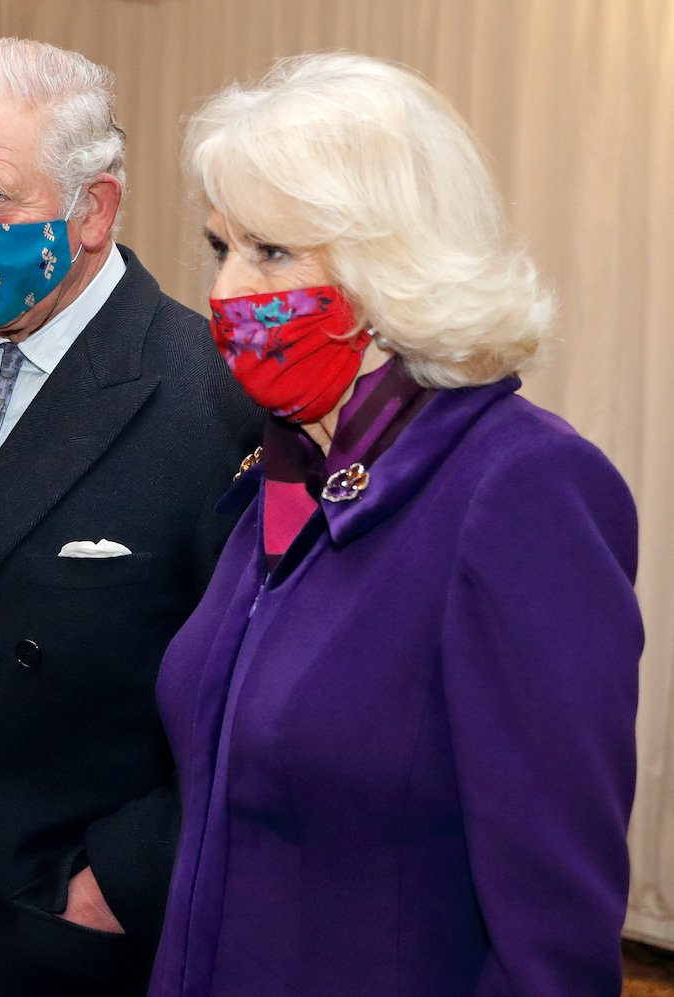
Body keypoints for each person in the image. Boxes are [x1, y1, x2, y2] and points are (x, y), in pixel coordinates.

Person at [149, 52, 644, 997]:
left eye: (273, 252)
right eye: (221, 248)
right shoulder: (288, 465)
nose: (223, 294)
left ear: (392, 268)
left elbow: (555, 941)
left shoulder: (523, 489)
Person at [0, 38, 263, 997]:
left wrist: (118, 879)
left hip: (51, 931)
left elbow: (244, 697)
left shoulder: (213, 396)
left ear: (92, 210)